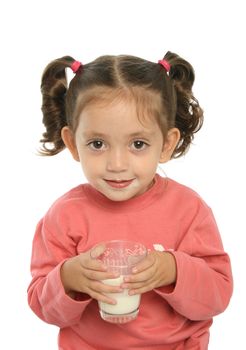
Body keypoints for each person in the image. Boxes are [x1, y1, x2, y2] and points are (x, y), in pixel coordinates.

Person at [27, 52, 233, 350]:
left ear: (166, 144)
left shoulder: (188, 211)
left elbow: (218, 296)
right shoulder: (65, 215)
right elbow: (42, 306)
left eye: (138, 144)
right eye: (97, 144)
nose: (117, 164)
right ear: (73, 143)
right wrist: (67, 279)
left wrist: (174, 269)